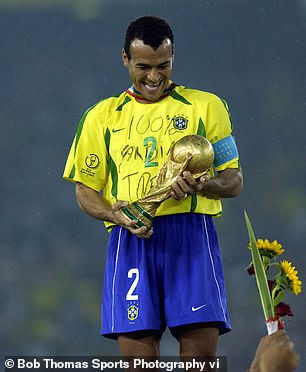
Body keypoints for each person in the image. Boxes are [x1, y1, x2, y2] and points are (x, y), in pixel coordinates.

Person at [63, 15, 243, 370]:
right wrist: (114, 214)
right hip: (131, 240)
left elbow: (234, 180)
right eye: (143, 66)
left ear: (173, 57)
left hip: (191, 237)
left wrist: (203, 184)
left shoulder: (208, 106)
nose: (154, 77)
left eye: (164, 65)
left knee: (200, 360)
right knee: (139, 363)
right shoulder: (101, 117)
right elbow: (85, 191)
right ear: (125, 59)